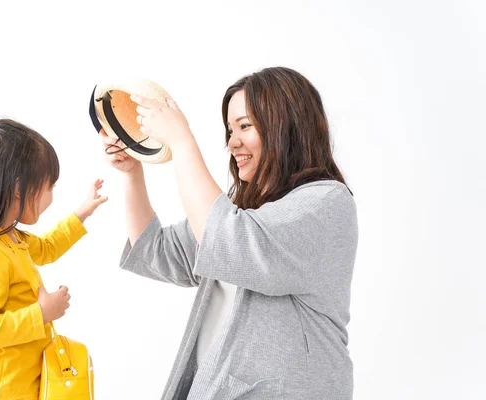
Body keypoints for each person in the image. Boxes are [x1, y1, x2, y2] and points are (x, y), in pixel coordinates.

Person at [100, 66, 358, 399]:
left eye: (245, 126)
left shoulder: (325, 203)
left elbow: (228, 242)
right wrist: (133, 172)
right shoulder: (242, 211)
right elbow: (155, 252)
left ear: (286, 127)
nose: (232, 143)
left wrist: (181, 141)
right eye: (230, 129)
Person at [0, 119, 107, 399]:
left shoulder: (12, 240)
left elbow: (47, 247)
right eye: (49, 186)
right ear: (18, 188)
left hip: (20, 388)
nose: (51, 197)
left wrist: (82, 213)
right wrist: (41, 314)